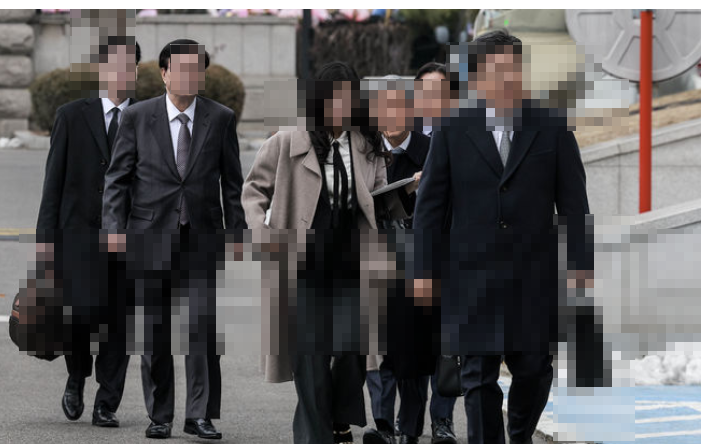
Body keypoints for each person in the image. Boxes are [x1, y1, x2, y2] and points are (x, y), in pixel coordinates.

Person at [412, 30, 593, 444]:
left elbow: (574, 204)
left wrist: (580, 264)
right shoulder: (453, 127)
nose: (508, 77)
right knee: (477, 379)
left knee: (534, 370)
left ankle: (520, 435)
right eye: (498, 70)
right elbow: (430, 207)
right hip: (471, 277)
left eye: (514, 67)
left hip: (533, 277)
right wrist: (423, 270)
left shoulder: (552, 125)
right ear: (477, 76)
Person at [102, 38, 247, 440]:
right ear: (164, 73)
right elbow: (116, 180)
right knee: (155, 333)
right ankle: (160, 415)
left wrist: (237, 237)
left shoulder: (220, 118)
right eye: (181, 69)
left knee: (201, 332)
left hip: (202, 237)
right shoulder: (138, 117)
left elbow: (232, 185)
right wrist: (113, 233)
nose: (189, 76)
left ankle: (198, 415)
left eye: (197, 69)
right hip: (148, 237)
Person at [242, 61, 390, 444]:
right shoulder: (290, 139)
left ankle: (337, 417)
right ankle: (317, 436)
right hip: (302, 265)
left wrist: (401, 196)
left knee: (355, 352)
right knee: (310, 358)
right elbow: (254, 190)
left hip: (352, 264)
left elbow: (379, 198)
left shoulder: (366, 142)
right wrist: (262, 234)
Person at [35, 36, 140, 428]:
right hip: (77, 235)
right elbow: (53, 185)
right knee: (77, 317)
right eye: (114, 65)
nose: (121, 72)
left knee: (119, 323)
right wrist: (46, 244)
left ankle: (106, 403)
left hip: (129, 237)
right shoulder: (71, 115)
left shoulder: (147, 117)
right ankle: (76, 376)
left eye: (129, 65)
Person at [363, 76, 432, 444]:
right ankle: (383, 425)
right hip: (375, 259)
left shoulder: (431, 149)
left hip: (419, 261)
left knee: (414, 352)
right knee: (379, 350)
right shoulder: (365, 150)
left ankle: (410, 428)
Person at [412, 62, 458, 444]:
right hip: (406, 248)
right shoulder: (397, 130)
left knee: (447, 343)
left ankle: (442, 420)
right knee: (411, 344)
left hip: (453, 249)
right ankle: (405, 424)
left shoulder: (463, 132)